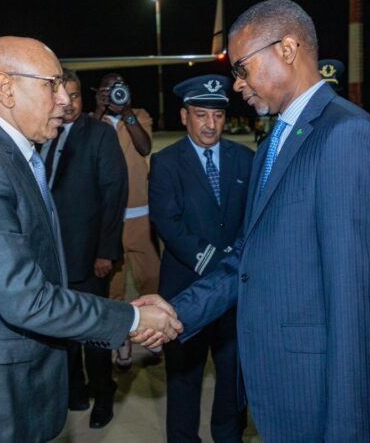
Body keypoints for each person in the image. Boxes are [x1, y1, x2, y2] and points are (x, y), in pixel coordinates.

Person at [136, 0, 370, 441]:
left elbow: (357, 307)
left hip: (321, 395)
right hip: (280, 386)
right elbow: (247, 260)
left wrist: (349, 430)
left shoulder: (346, 135)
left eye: (242, 68)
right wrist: (176, 311)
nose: (237, 85)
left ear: (286, 49)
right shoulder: (272, 145)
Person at [0, 36, 181, 443]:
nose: (65, 101)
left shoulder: (12, 155)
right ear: (6, 88)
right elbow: (25, 298)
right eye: (51, 85)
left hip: (14, 377)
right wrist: (132, 319)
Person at [149, 74, 252, 442]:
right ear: (184, 116)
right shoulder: (166, 162)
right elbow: (168, 222)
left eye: (218, 116)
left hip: (234, 296)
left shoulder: (245, 159)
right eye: (201, 115)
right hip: (186, 291)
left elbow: (252, 218)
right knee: (183, 381)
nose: (210, 124)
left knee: (233, 377)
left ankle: (229, 436)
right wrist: (218, 264)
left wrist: (233, 267)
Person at [38, 68, 129, 428]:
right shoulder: (43, 133)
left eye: (75, 96)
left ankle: (103, 393)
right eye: (62, 96)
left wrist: (106, 251)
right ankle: (75, 390)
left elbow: (114, 194)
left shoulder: (99, 134)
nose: (69, 103)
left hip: (90, 256)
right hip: (53, 258)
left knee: (95, 333)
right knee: (62, 329)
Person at [94, 72, 162, 368]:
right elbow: (84, 147)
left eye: (119, 89)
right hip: (110, 222)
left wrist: (127, 113)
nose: (114, 94)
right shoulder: (91, 122)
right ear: (99, 93)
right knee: (114, 290)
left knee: (151, 281)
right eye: (108, 90)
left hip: (142, 218)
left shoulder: (139, 116)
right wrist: (99, 111)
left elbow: (145, 147)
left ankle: (153, 339)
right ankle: (121, 345)